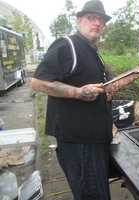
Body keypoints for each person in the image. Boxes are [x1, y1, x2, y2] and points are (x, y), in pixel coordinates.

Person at [31, 0, 113, 199]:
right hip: (80, 143)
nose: (97, 23)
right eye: (91, 18)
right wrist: (77, 93)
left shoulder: (92, 51)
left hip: (94, 140)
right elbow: (38, 82)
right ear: (78, 20)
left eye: (100, 19)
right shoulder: (68, 45)